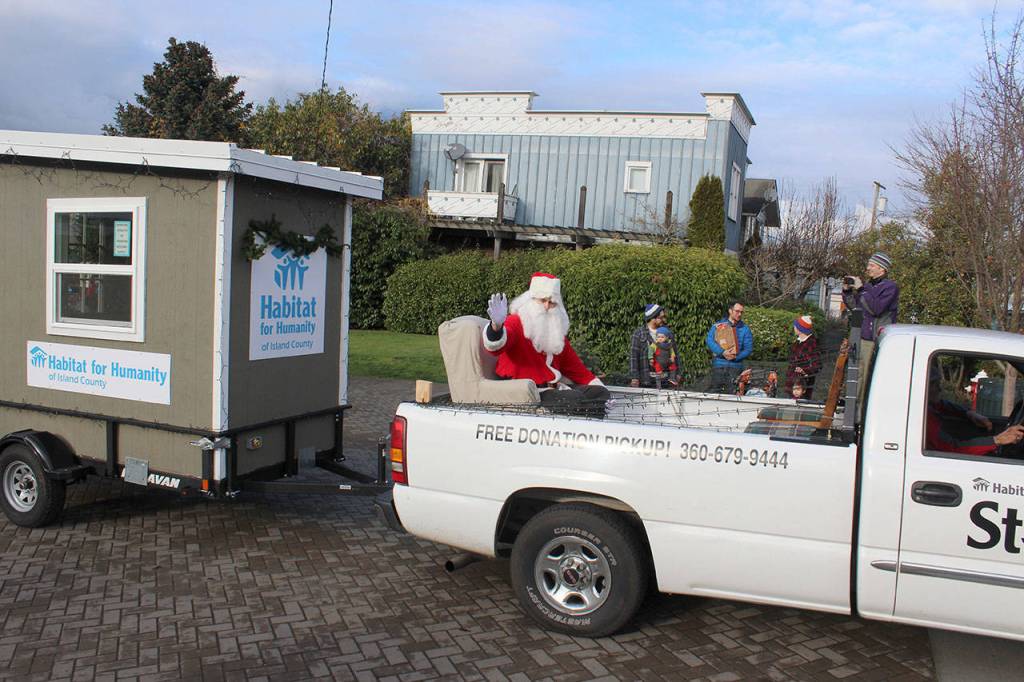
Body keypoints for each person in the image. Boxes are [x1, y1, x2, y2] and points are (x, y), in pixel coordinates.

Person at [484, 272, 610, 415]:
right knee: (574, 399)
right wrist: (496, 327)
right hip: (524, 391)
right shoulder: (516, 321)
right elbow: (495, 347)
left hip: (552, 389)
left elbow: (579, 371)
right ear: (530, 300)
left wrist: (603, 394)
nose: (546, 306)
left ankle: (591, 424)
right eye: (542, 300)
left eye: (551, 303)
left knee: (600, 394)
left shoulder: (556, 334)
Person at [925, 366, 1024, 455]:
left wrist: (969, 413)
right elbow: (954, 448)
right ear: (924, 387)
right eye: (934, 384)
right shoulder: (924, 419)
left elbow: (943, 405)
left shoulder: (928, 406)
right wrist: (997, 440)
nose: (939, 389)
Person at [842, 252, 899, 406]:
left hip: (874, 341)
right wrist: (847, 291)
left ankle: (859, 417)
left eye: (872, 265)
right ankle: (852, 411)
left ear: (882, 269)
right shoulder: (868, 287)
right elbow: (856, 308)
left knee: (865, 378)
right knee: (857, 375)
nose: (868, 268)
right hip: (861, 337)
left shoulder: (890, 287)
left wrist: (861, 290)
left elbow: (875, 309)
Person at [705, 302, 753, 393]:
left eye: (741, 312)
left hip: (735, 367)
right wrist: (722, 352)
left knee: (733, 394)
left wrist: (735, 357)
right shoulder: (718, 326)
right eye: (737, 311)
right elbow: (709, 340)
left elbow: (748, 349)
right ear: (730, 311)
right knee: (714, 394)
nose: (739, 314)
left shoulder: (745, 329)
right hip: (719, 366)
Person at [630, 304, 680, 388]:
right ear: (653, 318)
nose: (664, 320)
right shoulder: (639, 334)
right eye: (661, 317)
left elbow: (675, 354)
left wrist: (678, 373)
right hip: (646, 380)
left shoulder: (668, 333)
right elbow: (634, 357)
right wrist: (634, 378)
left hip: (666, 380)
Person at [784, 315, 822, 400]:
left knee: (800, 408)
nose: (794, 327)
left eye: (796, 326)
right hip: (792, 382)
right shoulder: (797, 342)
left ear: (800, 329)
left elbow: (817, 365)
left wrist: (804, 370)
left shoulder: (811, 344)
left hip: (803, 385)